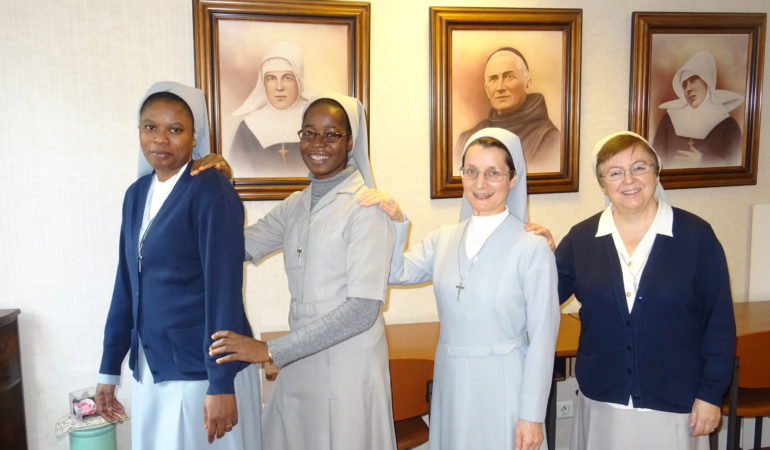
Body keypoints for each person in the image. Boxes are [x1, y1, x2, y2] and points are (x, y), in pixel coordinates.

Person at [208, 93, 397, 450]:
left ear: (351, 141)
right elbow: (236, 248)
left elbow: (362, 309)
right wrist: (218, 187)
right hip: (300, 357)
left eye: (331, 134)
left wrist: (269, 350)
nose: (318, 144)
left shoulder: (367, 207)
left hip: (348, 364)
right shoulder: (296, 205)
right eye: (309, 133)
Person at [364, 127, 560, 450]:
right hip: (452, 379)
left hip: (504, 381)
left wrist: (532, 414)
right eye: (471, 171)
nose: (480, 184)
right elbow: (395, 271)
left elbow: (543, 337)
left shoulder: (532, 247)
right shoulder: (444, 238)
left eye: (493, 173)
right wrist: (397, 220)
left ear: (513, 179)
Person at [95, 81, 262, 449]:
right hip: (153, 368)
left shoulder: (211, 190)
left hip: (199, 373)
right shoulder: (136, 195)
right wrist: (109, 368)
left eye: (175, 129)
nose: (160, 139)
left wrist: (220, 383)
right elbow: (126, 285)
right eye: (150, 127)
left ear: (193, 136)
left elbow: (223, 291)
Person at [555, 131, 735, 450]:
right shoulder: (581, 240)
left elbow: (719, 323)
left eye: (639, 167)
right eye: (615, 172)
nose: (629, 180)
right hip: (604, 405)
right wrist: (528, 251)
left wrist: (710, 394)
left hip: (675, 406)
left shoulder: (696, 237)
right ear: (602, 182)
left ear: (656, 171)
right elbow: (541, 296)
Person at [455, 47, 561, 174]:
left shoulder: (550, 140)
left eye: (509, 77)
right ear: (486, 89)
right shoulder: (466, 140)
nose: (500, 87)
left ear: (527, 83)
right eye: (493, 79)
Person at [229, 41, 311, 177]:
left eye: (287, 78)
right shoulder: (249, 126)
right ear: (263, 83)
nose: (279, 87)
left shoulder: (316, 120)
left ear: (299, 80)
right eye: (271, 78)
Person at [652, 51, 744, 168]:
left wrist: (704, 160)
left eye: (693, 80)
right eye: (684, 84)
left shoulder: (729, 126)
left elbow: (734, 164)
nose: (688, 89)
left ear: (707, 82)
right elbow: (655, 159)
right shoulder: (669, 119)